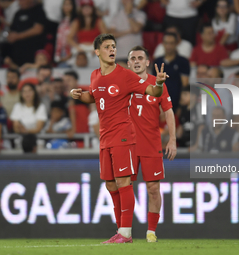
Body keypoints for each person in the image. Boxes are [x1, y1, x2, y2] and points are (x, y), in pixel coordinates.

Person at [70, 33, 168, 243]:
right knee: (111, 185)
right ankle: (120, 231)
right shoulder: (95, 75)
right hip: (104, 138)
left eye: (114, 46)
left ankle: (126, 232)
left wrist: (159, 83)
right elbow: (95, 96)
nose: (112, 50)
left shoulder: (125, 75)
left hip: (123, 136)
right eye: (107, 47)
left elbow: (152, 90)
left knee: (123, 181)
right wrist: (81, 96)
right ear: (97, 52)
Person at [127, 45, 176, 242]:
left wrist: (172, 139)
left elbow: (169, 111)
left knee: (153, 189)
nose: (137, 61)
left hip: (150, 144)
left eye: (140, 58)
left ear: (147, 62)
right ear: (129, 63)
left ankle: (151, 232)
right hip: (126, 144)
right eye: (133, 58)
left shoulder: (158, 84)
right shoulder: (122, 83)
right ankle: (124, 231)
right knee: (124, 187)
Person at [153, 32, 190, 111]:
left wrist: (181, 106)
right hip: (159, 103)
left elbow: (185, 84)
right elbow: (153, 83)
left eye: (171, 43)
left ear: (176, 44)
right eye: (166, 43)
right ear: (163, 44)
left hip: (176, 103)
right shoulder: (157, 62)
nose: (168, 46)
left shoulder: (183, 61)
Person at [4, 0, 46, 67]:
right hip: (17, 53)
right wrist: (9, 36)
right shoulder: (18, 13)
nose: (21, 2)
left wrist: (18, 36)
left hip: (32, 50)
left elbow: (38, 29)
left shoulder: (38, 11)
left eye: (23, 1)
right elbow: (12, 29)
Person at [67, 0, 107, 67]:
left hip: (94, 48)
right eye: (84, 8)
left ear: (93, 9)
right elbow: (69, 38)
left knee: (98, 63)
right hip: (81, 48)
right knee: (72, 62)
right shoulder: (77, 22)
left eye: (89, 7)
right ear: (81, 9)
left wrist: (97, 48)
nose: (86, 9)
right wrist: (77, 47)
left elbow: (105, 37)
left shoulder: (99, 21)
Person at [54, 0, 78, 67]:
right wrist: (58, 54)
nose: (67, 7)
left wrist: (72, 52)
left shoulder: (77, 20)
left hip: (73, 52)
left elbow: (77, 37)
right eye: (65, 4)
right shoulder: (62, 21)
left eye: (69, 4)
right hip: (62, 52)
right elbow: (59, 39)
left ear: (73, 6)